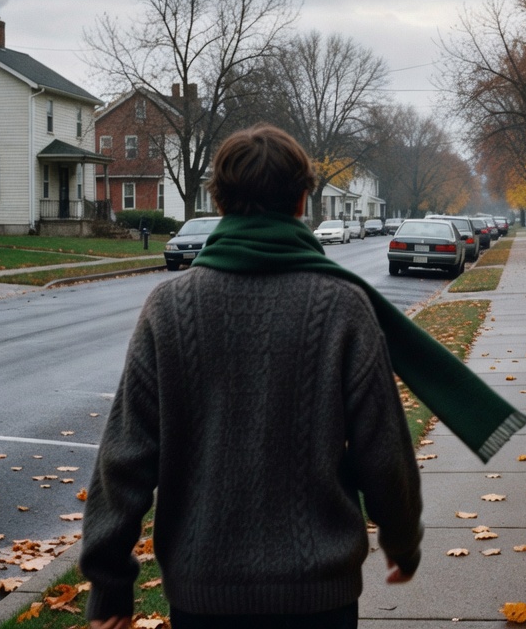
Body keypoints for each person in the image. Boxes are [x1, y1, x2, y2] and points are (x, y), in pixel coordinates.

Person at [81, 124, 423, 629]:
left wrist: (110, 583)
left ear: (218, 202)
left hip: (203, 594)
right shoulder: (342, 306)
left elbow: (124, 458)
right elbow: (384, 448)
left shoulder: (169, 308)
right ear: (303, 200)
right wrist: (400, 539)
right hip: (319, 594)